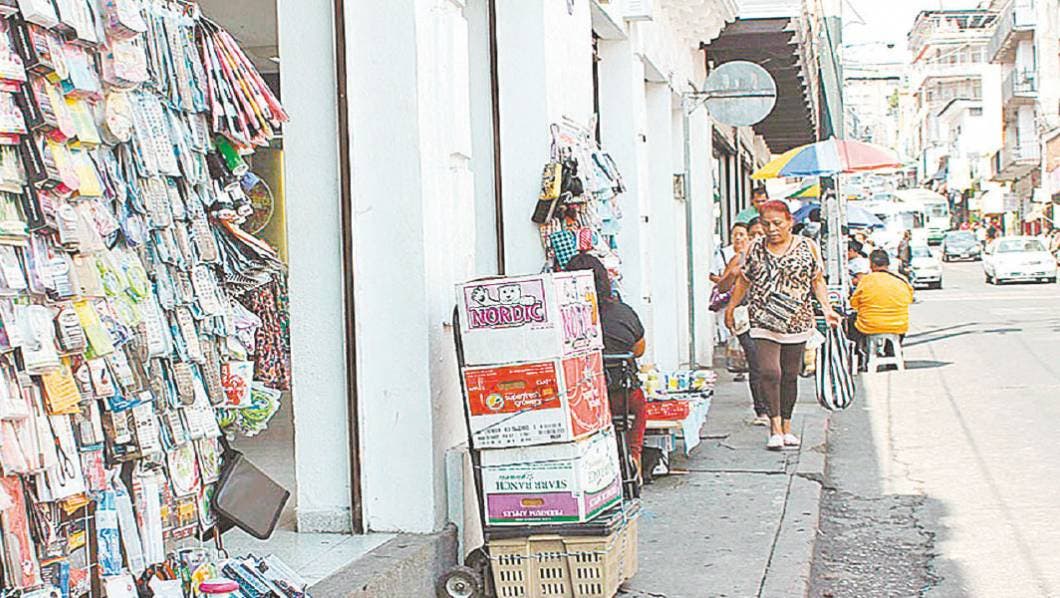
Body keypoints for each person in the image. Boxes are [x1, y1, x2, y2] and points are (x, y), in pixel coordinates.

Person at [725, 200, 842, 450]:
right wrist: (731, 308)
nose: (772, 229)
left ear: (790, 222)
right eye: (766, 224)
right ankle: (774, 427)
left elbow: (817, 281)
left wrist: (827, 308)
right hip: (763, 318)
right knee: (770, 372)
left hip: (797, 320)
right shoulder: (756, 248)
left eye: (777, 223)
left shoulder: (807, 247)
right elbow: (744, 280)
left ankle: (787, 426)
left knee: (790, 374)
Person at [565, 252, 647, 472]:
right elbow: (639, 350)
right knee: (639, 404)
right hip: (622, 397)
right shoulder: (623, 313)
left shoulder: (564, 319)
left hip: (584, 400)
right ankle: (634, 454)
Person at [715, 222, 769, 425]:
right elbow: (722, 287)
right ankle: (761, 410)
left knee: (773, 365)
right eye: (752, 234)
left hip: (772, 318)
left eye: (760, 234)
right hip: (746, 317)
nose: (756, 238)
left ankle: (776, 408)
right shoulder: (739, 259)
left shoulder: (778, 257)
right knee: (756, 361)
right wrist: (733, 273)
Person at [850, 250, 914, 368]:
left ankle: (859, 357)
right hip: (898, 324)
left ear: (871, 264)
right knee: (896, 323)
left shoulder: (866, 280)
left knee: (850, 322)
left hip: (869, 325)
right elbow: (909, 299)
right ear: (888, 264)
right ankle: (891, 351)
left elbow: (854, 303)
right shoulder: (901, 279)